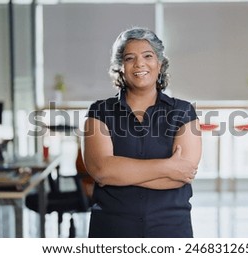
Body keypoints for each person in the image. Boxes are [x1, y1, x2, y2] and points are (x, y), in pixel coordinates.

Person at [83, 27, 202, 238]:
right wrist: (167, 167)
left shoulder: (183, 111)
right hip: (112, 231)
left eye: (148, 56)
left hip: (170, 229)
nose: (139, 64)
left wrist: (119, 173)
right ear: (120, 67)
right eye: (130, 58)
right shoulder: (99, 111)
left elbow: (183, 173)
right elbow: (102, 170)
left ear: (160, 64)